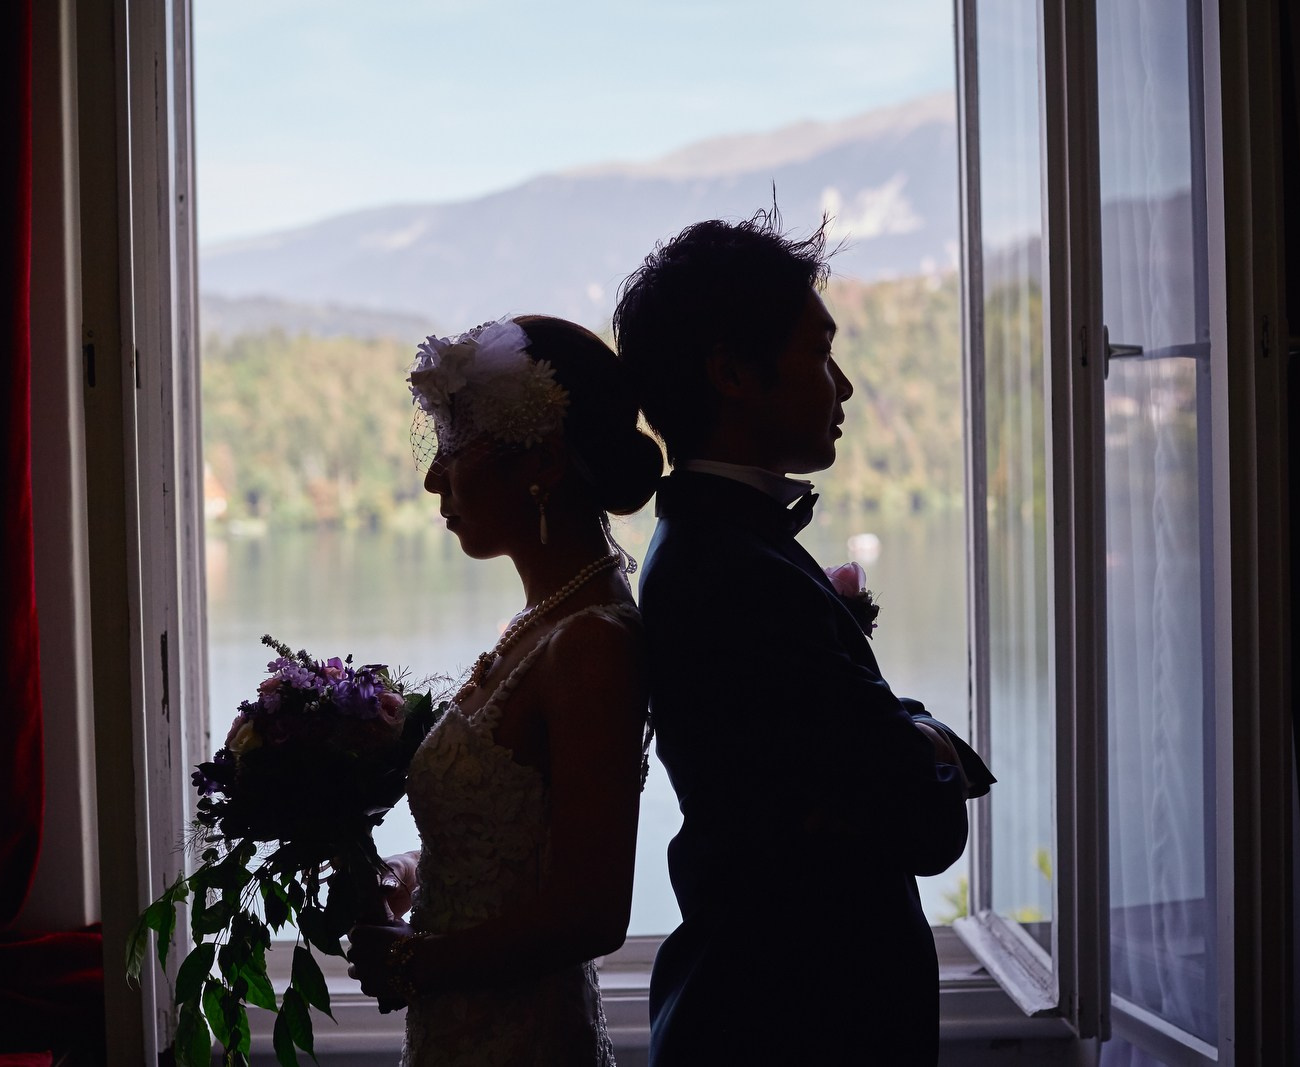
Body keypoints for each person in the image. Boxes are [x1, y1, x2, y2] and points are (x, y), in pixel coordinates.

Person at [614, 212, 990, 1065]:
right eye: (820, 353)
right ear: (732, 374)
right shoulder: (734, 571)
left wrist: (899, 739)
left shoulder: (716, 544)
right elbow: (924, 825)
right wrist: (929, 743)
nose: (844, 385)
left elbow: (866, 771)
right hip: (792, 1023)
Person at [345, 314, 663, 1065]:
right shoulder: (542, 620)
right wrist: (406, 872)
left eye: (456, 445)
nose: (434, 475)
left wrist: (415, 961)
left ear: (543, 461)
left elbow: (591, 912)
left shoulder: (591, 644)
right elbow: (511, 848)